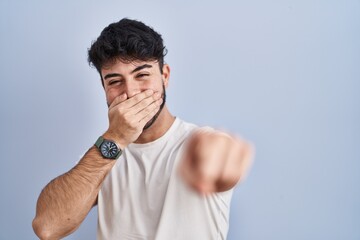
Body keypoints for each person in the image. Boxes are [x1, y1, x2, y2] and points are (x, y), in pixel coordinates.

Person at [32, 18, 254, 240]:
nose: (131, 92)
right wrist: (116, 138)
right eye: (115, 81)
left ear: (164, 76)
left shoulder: (198, 142)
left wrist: (220, 158)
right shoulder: (102, 156)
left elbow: (220, 156)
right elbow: (47, 227)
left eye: (142, 75)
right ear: (104, 87)